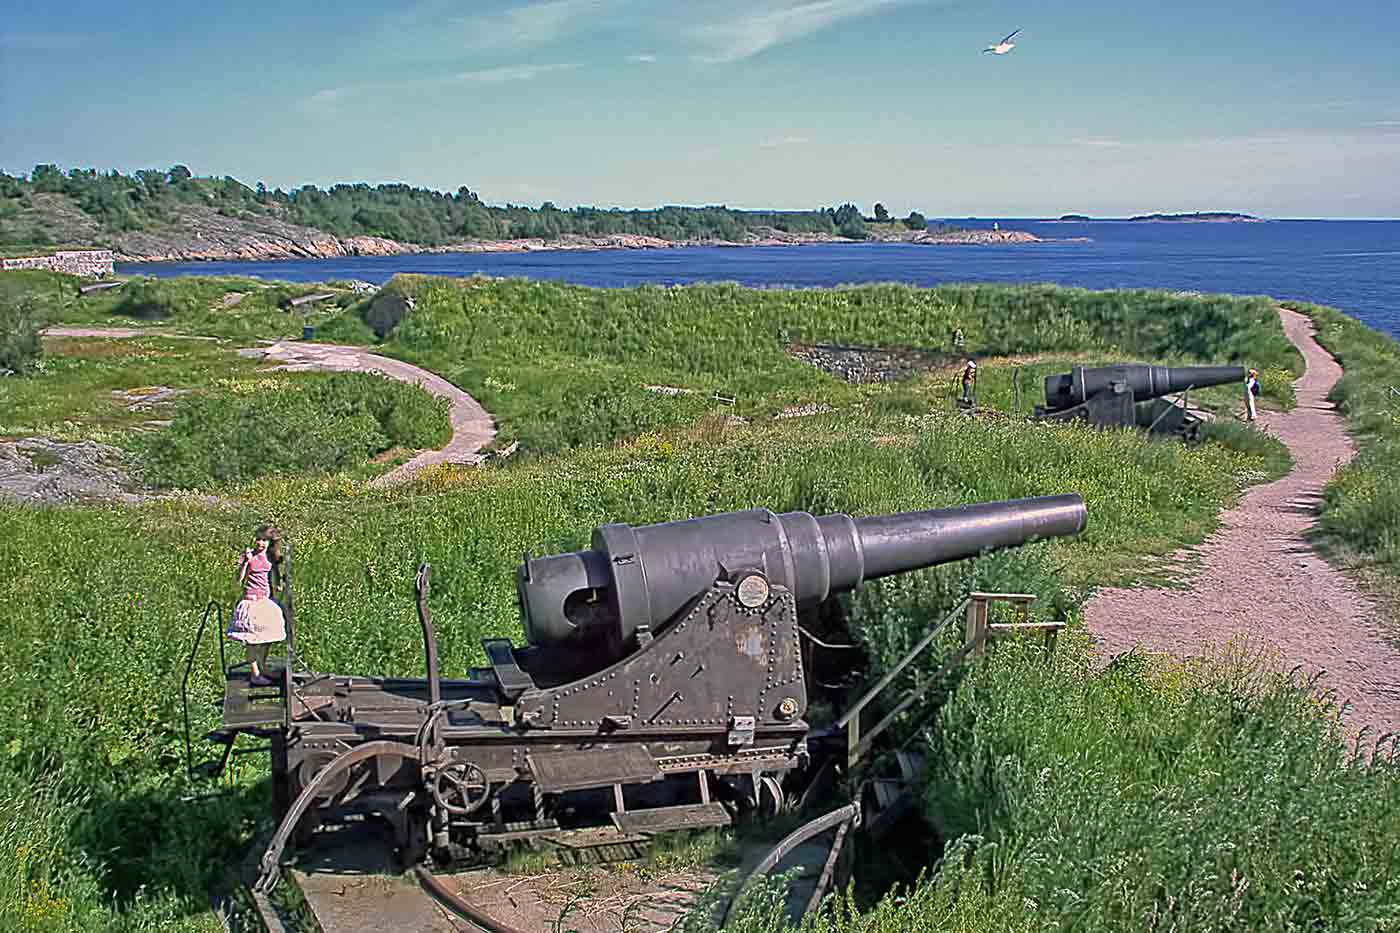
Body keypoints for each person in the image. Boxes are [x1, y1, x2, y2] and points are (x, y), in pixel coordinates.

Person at [226, 525, 287, 686]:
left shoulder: (270, 558)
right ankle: (255, 674)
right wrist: (245, 562)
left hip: (265, 601)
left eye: (265, 540)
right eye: (259, 539)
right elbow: (239, 579)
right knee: (252, 640)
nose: (261, 543)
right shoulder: (249, 556)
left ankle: (262, 666)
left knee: (269, 636)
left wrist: (278, 584)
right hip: (251, 601)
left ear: (270, 542)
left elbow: (274, 576)